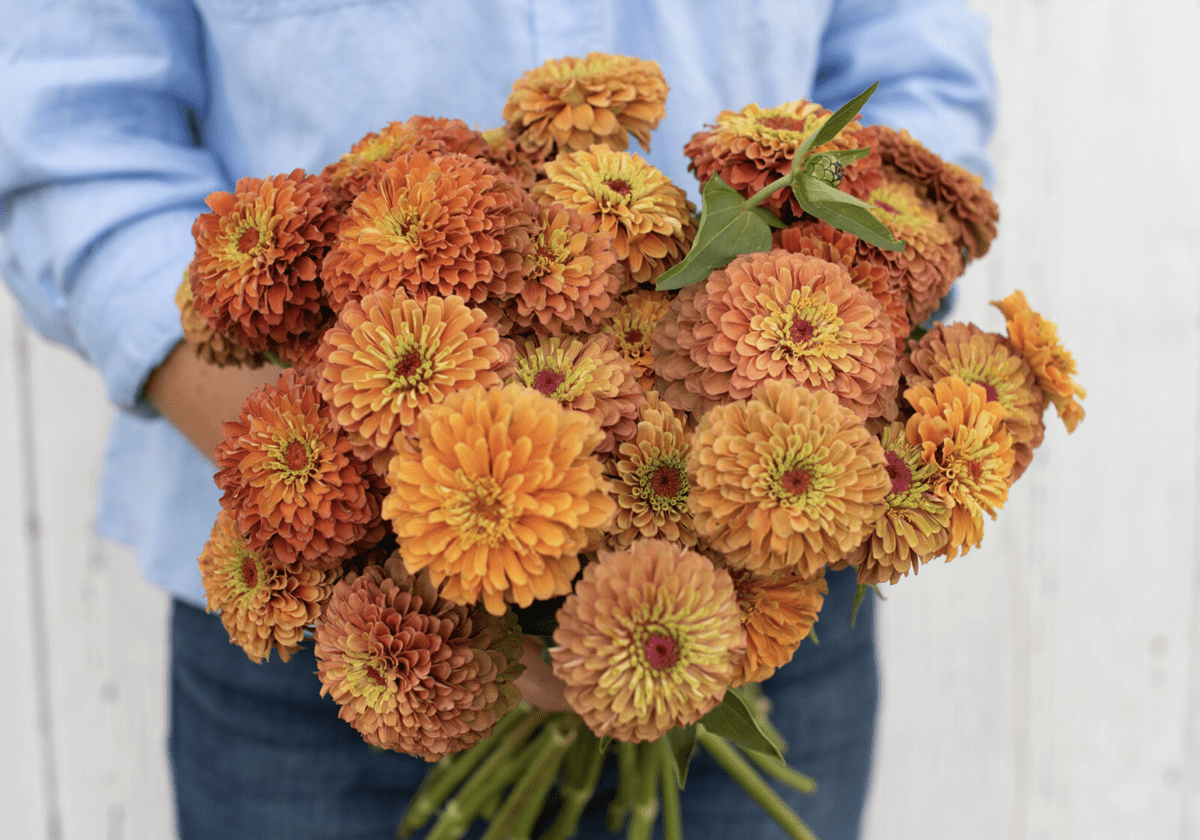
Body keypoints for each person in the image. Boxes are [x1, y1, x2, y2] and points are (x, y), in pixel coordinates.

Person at [0, 2, 997, 838]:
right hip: (324, 624)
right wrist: (355, 520)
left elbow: (915, 62)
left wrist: (872, 291)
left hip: (765, 596)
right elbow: (68, 135)